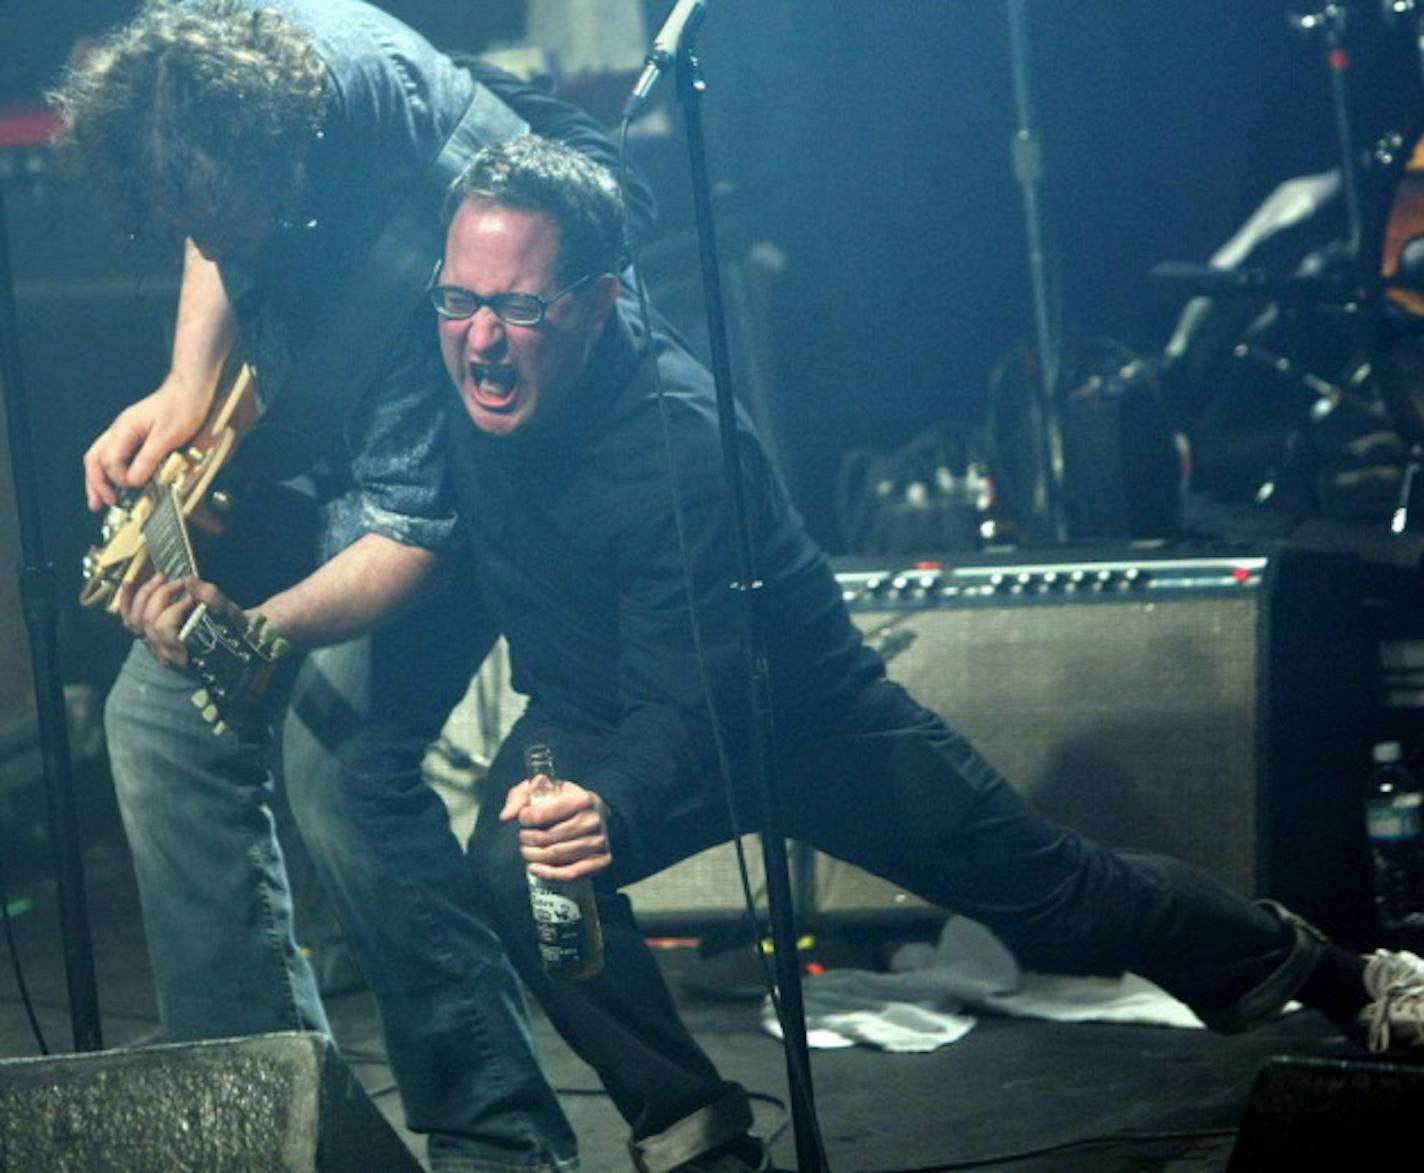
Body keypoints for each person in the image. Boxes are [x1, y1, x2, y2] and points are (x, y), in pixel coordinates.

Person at [137, 135, 1424, 1173]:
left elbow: (696, 700)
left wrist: (610, 802)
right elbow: (411, 539)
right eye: (460, 300)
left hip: (798, 715)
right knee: (522, 873)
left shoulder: (681, 446)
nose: (479, 337)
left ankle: (1335, 973)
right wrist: (236, 619)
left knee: (1059, 896)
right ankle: (694, 1133)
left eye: (517, 309)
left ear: (595, 303)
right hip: (596, 708)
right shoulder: (462, 376)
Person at [50, 3, 651, 1169]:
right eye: (191, 219)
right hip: (356, 457)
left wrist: (252, 630)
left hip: (503, 470)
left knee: (342, 774)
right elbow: (210, 223)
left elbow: (417, 531)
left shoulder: (428, 206)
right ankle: (252, 1128)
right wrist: (187, 386)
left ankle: (499, 1140)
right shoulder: (222, 91)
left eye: (232, 218)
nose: (218, 244)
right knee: (154, 725)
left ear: (289, 154)